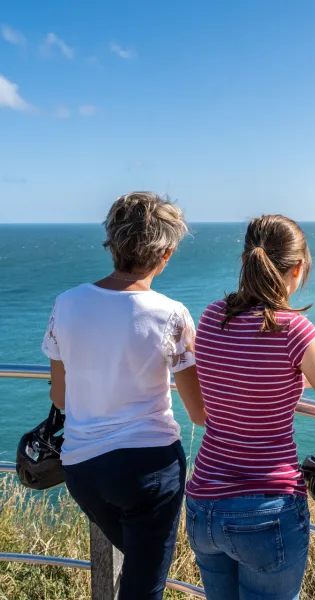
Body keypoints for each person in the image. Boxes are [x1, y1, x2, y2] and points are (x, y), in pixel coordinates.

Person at [185, 215, 315, 600]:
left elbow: (237, 383)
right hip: (267, 509)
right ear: (297, 268)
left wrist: (301, 377)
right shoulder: (295, 330)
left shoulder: (212, 317)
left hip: (204, 505)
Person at [42, 192, 206, 600]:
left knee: (135, 567)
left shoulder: (66, 303)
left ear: (112, 244)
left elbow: (60, 398)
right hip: (150, 473)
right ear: (166, 254)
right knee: (143, 586)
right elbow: (199, 413)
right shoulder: (171, 314)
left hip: (84, 471)